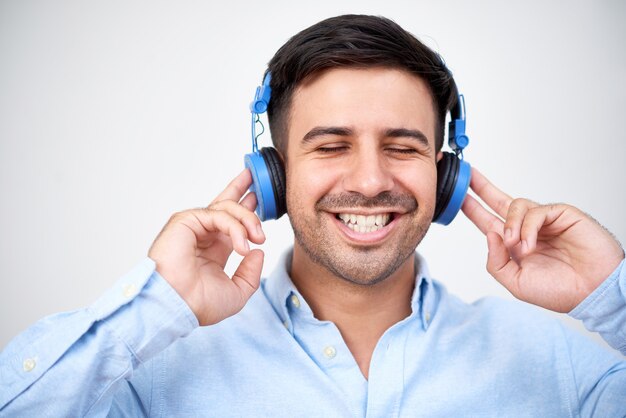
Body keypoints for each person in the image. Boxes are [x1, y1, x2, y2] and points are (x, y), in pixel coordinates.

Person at [1, 14, 624, 417]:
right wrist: (150, 305)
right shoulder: (153, 373)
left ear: (445, 175)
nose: (371, 180)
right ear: (275, 174)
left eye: (403, 147)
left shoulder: (556, 365)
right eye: (330, 146)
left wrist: (613, 295)